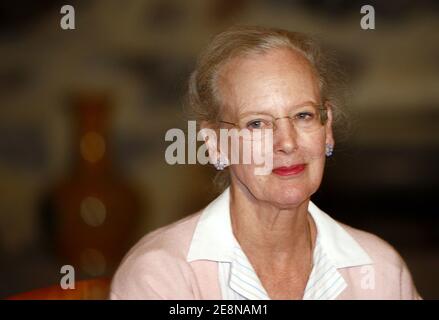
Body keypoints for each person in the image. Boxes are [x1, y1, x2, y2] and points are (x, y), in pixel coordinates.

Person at [110, 26, 421, 300]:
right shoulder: (164, 277)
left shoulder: (379, 271)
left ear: (327, 130)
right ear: (215, 143)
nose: (287, 143)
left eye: (303, 116)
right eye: (257, 123)